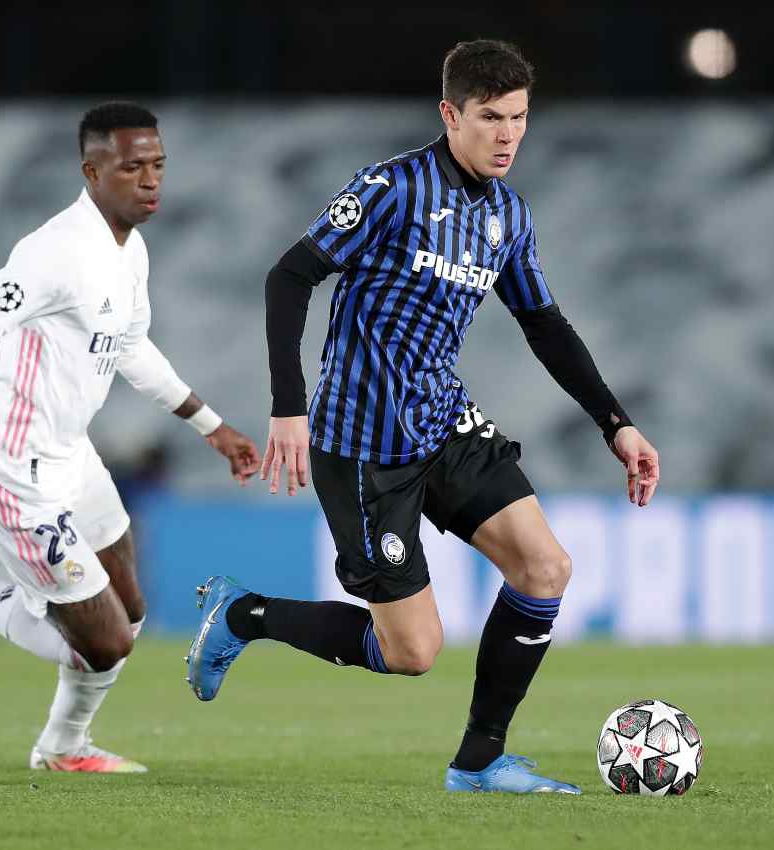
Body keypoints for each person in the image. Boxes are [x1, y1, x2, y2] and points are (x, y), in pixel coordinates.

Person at [186, 41, 659, 794]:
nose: (508, 135)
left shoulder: (507, 214)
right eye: (491, 117)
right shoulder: (392, 189)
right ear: (450, 114)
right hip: (363, 443)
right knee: (411, 652)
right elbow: (290, 275)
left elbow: (544, 324)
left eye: (520, 118)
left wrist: (616, 423)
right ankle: (245, 615)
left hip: (443, 420)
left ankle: (480, 763)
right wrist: (288, 405)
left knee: (545, 568)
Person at [0, 102, 261, 773]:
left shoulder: (130, 250)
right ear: (92, 172)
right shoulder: (52, 252)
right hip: (10, 470)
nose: (151, 180)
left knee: (131, 606)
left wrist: (211, 425)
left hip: (71, 455)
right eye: (133, 167)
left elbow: (131, 347)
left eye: (158, 165)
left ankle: (63, 747)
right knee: (106, 644)